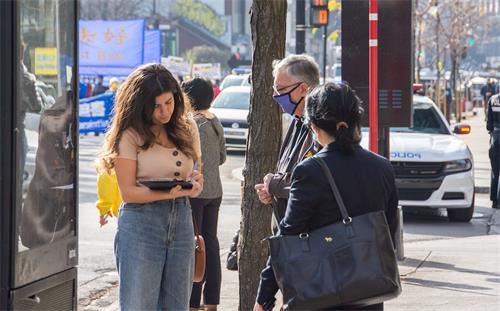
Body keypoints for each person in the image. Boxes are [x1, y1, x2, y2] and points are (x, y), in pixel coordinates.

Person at [254, 82, 399, 311]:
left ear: (313, 126)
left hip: (321, 293)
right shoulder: (382, 168)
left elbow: (288, 236)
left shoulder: (309, 171)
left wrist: (264, 297)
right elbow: (388, 233)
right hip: (370, 291)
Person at [97, 63, 204, 310]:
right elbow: (128, 193)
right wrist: (165, 192)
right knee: (139, 304)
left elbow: (198, 175)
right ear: (141, 105)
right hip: (141, 223)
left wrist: (194, 186)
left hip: (182, 218)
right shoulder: (129, 133)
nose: (164, 111)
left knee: (178, 304)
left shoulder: (188, 126)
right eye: (156, 106)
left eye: (169, 102)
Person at [254, 54, 320, 231]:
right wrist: (271, 192)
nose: (275, 95)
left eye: (280, 89)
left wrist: (273, 184)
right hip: (288, 235)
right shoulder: (297, 121)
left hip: (307, 239)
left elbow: (310, 182)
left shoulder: (320, 128)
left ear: (303, 89)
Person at [181, 78, 226, 311]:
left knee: (195, 246)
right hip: (215, 191)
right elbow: (222, 158)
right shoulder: (214, 120)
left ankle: (192, 303)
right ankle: (212, 302)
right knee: (211, 243)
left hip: (195, 192)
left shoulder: (190, 122)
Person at [487, 91, 500, 209]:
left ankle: (494, 201)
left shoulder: (492, 100)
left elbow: (488, 125)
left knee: (495, 172)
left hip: (495, 138)